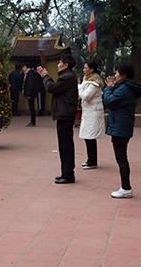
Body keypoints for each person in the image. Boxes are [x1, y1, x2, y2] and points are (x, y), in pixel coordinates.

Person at [103, 62, 141, 198]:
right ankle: (125, 187)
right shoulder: (126, 87)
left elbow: (109, 101)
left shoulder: (124, 89)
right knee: (122, 157)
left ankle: (126, 188)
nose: (115, 75)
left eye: (116, 73)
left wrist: (108, 88)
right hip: (122, 126)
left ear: (123, 74)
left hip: (120, 127)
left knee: (121, 158)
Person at [37, 54, 78, 184]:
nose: (58, 65)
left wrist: (45, 76)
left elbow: (51, 88)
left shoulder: (67, 77)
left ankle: (68, 175)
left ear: (66, 65)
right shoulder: (67, 76)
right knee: (65, 145)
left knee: (65, 145)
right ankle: (66, 173)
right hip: (65, 114)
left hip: (65, 114)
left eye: (60, 63)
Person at [77, 60, 105, 169]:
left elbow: (85, 96)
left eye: (85, 68)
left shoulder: (95, 82)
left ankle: (92, 161)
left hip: (93, 111)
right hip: (88, 112)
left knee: (90, 136)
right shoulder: (87, 79)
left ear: (92, 69)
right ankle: (90, 159)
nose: (84, 70)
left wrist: (79, 87)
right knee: (87, 136)